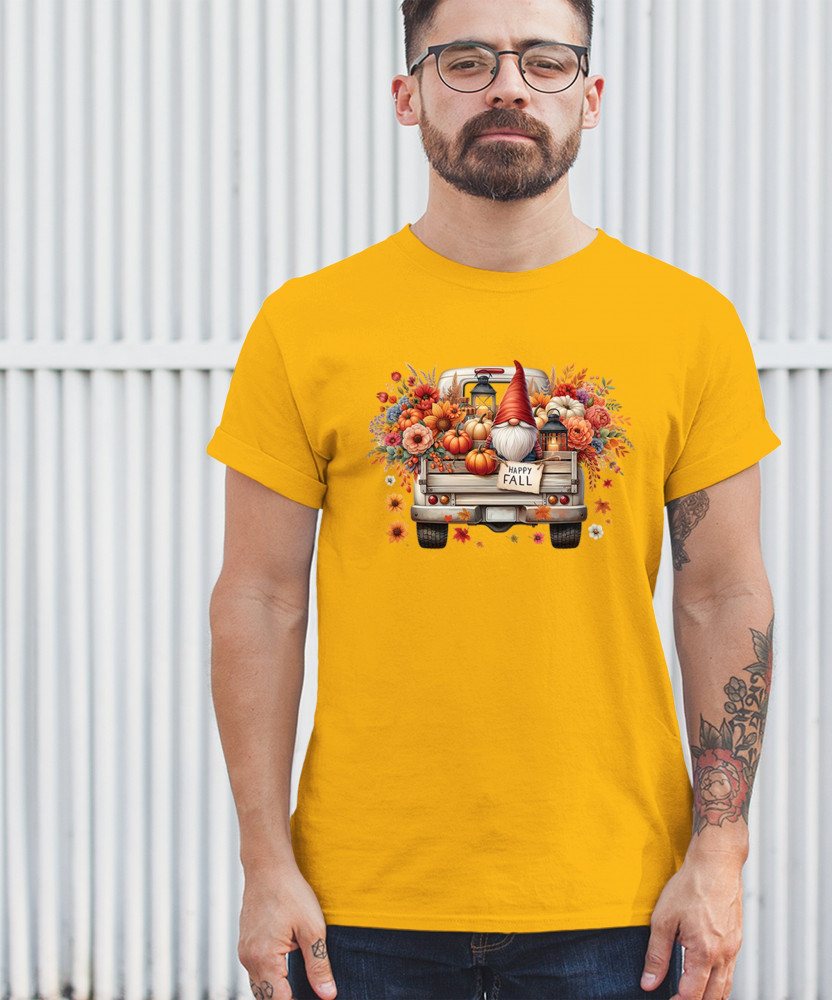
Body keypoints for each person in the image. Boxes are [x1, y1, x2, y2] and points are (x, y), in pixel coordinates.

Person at [206, 0, 780, 997]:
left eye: (545, 61)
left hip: (617, 900)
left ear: (590, 96)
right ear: (407, 95)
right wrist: (264, 862)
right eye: (466, 60)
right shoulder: (305, 325)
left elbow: (723, 595)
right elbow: (259, 599)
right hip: (358, 902)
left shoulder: (689, 325)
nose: (509, 86)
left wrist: (720, 852)